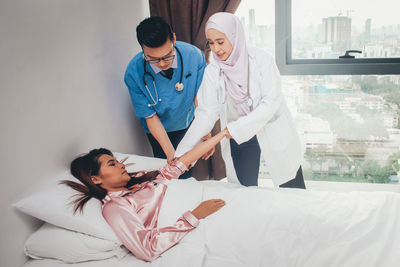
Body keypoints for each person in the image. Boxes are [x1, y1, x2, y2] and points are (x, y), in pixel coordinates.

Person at [175, 12, 305, 188]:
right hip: (238, 134)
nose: (216, 49)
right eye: (211, 43)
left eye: (220, 42)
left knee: (291, 183)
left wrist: (237, 128)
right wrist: (181, 153)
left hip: (268, 127)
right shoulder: (213, 71)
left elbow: (271, 103)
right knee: (243, 189)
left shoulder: (261, 60)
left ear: (235, 36)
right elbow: (206, 113)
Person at [61, 129, 228, 262]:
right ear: (95, 179)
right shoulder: (115, 207)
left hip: (205, 200)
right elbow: (147, 248)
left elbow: (180, 165)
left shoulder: (139, 181)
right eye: (112, 164)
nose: (121, 165)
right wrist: (195, 215)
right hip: (197, 218)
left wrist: (222, 134)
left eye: (118, 161)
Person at [124, 16, 207, 175]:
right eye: (153, 59)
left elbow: (199, 95)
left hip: (186, 122)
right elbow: (150, 116)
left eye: (168, 55)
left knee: (188, 170)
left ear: (174, 38)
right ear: (142, 48)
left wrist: (204, 129)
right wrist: (171, 153)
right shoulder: (133, 73)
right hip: (158, 130)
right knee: (169, 171)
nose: (162, 64)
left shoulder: (193, 56)